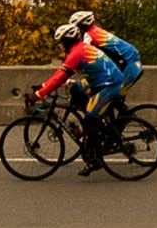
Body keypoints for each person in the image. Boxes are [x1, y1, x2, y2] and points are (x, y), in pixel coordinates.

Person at [29, 20, 125, 175]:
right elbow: (60, 77)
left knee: (90, 118)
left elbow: (60, 77)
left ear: (67, 41)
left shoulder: (76, 53)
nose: (58, 46)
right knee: (75, 89)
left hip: (109, 84)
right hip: (100, 80)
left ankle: (95, 159)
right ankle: (91, 126)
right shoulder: (79, 49)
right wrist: (43, 85)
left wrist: (39, 94)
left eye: (60, 42)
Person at [69, 10, 142, 90]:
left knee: (115, 93)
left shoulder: (88, 35)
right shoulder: (96, 30)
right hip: (130, 57)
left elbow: (83, 54)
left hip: (127, 62)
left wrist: (70, 70)